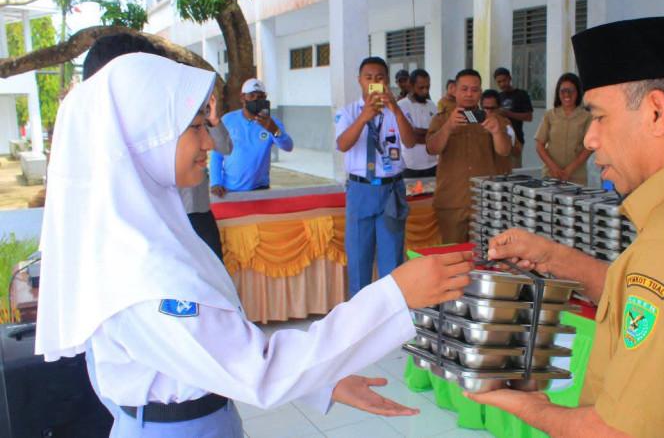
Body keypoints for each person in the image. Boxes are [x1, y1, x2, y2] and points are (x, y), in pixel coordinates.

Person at [36, 53, 474, 438]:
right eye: (195, 128)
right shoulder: (138, 270)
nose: (209, 142)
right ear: (146, 139)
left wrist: (321, 380)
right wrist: (395, 295)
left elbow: (217, 351)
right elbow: (256, 368)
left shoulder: (156, 234)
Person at [467, 16, 664, 437]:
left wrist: (532, 407)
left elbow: (615, 432)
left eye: (600, 117)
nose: (590, 139)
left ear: (656, 112)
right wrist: (552, 257)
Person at [82, 32, 232, 260]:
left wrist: (212, 120)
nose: (207, 143)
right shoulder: (125, 248)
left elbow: (225, 147)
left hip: (199, 212)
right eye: (194, 127)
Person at [335, 57, 417, 297]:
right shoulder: (348, 112)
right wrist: (364, 117)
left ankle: (390, 313)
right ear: (359, 81)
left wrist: (396, 110)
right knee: (359, 258)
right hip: (361, 190)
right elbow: (342, 144)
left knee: (392, 261)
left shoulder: (397, 110)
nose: (374, 82)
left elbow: (411, 141)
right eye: (368, 77)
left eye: (379, 77)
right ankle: (359, 314)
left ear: (387, 81)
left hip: (391, 190)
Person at [427, 69, 512, 244]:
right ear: (454, 90)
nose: (469, 94)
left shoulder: (493, 119)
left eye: (474, 90)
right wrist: (448, 127)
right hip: (451, 201)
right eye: (464, 89)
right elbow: (432, 149)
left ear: (480, 92)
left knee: (485, 254)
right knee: (452, 255)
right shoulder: (441, 119)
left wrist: (497, 132)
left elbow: (504, 151)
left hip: (484, 202)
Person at [209, 79, 293, 196]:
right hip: (229, 190)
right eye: (252, 95)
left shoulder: (272, 123)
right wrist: (215, 182)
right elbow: (217, 154)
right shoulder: (227, 120)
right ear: (242, 98)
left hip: (260, 189)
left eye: (260, 96)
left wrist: (274, 130)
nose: (256, 100)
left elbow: (288, 146)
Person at [534, 73, 592, 184]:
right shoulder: (549, 115)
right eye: (563, 91)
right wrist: (554, 168)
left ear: (578, 92)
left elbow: (588, 148)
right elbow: (539, 145)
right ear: (558, 93)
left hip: (576, 177)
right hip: (551, 175)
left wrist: (569, 170)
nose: (567, 94)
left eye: (571, 91)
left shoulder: (587, 117)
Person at [398, 69, 439, 178]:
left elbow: (438, 133)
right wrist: (429, 135)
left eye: (428, 87)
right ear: (411, 86)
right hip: (409, 166)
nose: (425, 91)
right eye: (421, 87)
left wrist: (418, 132)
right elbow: (410, 137)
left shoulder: (432, 105)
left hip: (433, 164)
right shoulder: (401, 106)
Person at [494, 67, 533, 168]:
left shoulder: (521, 94)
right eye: (499, 82)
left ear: (510, 78)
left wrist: (508, 114)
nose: (502, 84)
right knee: (499, 171)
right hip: (500, 139)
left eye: (504, 80)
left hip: (516, 141)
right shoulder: (498, 97)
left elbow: (529, 117)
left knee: (514, 171)